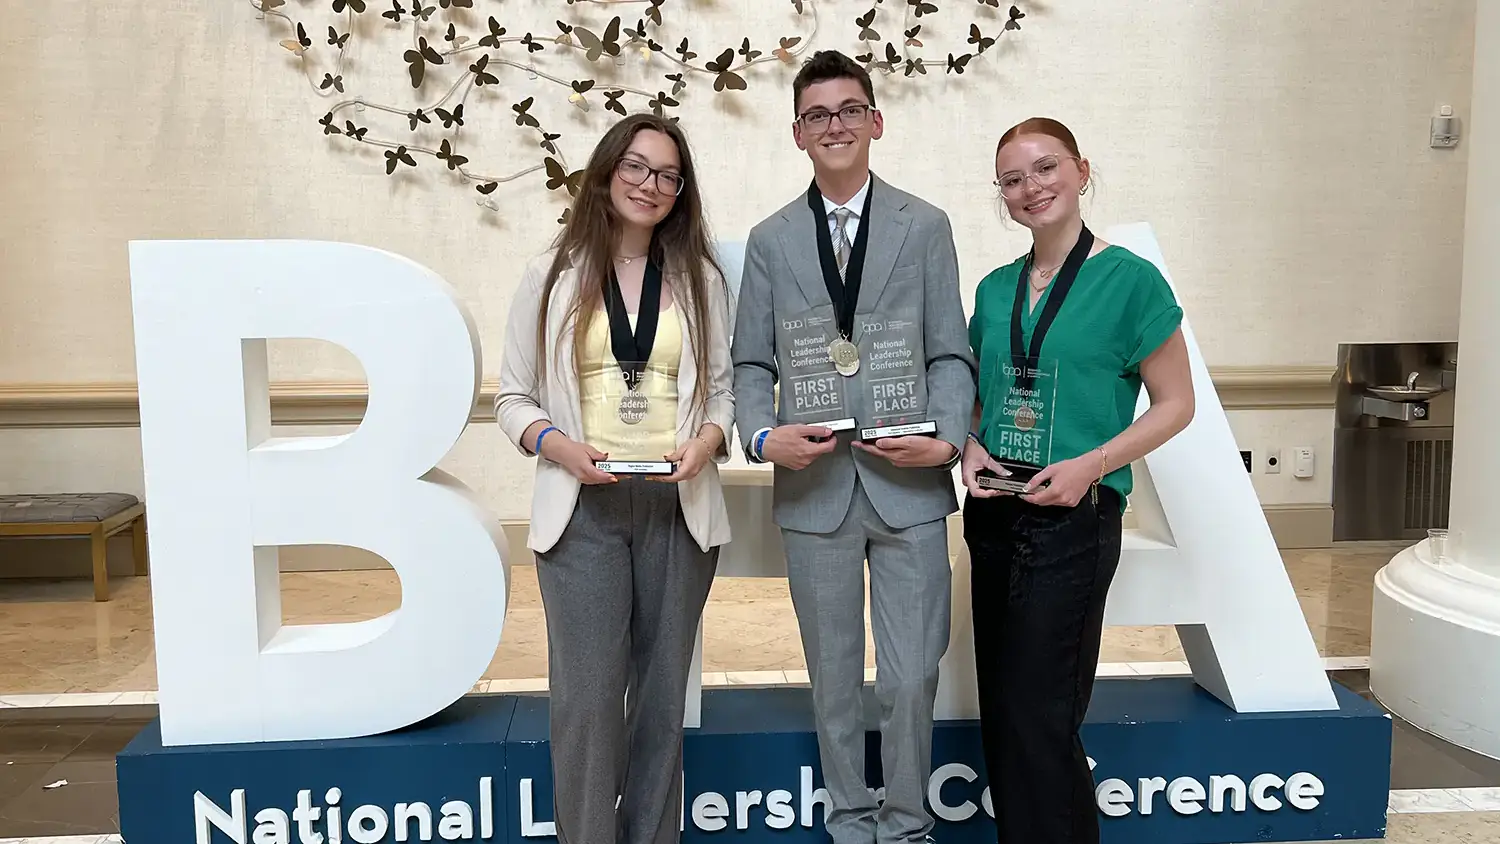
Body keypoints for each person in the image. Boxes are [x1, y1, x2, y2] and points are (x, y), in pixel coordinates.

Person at [732, 50, 976, 844]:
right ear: (797, 134)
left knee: (910, 678)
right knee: (834, 680)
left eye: (848, 110)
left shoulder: (926, 226)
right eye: (816, 115)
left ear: (875, 122)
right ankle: (847, 820)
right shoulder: (769, 241)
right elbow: (750, 363)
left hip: (907, 489)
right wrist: (764, 435)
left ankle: (905, 825)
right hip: (814, 494)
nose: (833, 125)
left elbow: (950, 353)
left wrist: (942, 440)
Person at [494, 113, 734, 844]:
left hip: (676, 506)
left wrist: (709, 440)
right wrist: (558, 447)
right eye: (635, 166)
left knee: (662, 703)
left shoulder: (703, 278)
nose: (649, 185)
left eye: (666, 174)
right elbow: (512, 399)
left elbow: (722, 389)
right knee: (590, 703)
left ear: (680, 190)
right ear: (604, 172)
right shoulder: (550, 276)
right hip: (583, 510)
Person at [960, 117, 1196, 844]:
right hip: (996, 509)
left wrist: (1093, 464)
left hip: (1075, 514)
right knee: (1002, 709)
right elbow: (982, 391)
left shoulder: (1130, 281)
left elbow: (1176, 404)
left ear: (1081, 170)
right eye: (1012, 178)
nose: (1031, 187)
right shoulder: (997, 289)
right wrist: (968, 443)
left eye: (1045, 167)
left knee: (1043, 715)